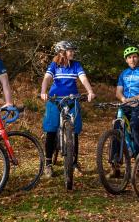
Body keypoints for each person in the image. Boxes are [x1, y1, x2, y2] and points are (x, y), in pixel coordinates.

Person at [40, 41, 96, 178]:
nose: (72, 52)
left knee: (74, 131)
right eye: (69, 50)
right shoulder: (54, 65)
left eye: (72, 50)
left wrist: (90, 91)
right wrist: (43, 91)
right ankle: (48, 164)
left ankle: (74, 163)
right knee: (51, 130)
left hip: (72, 99)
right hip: (55, 99)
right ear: (61, 52)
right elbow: (47, 78)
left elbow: (83, 78)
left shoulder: (76, 65)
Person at [113, 47, 139, 160]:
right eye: (130, 57)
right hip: (125, 104)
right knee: (116, 127)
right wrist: (123, 99)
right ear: (126, 60)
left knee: (134, 126)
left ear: (138, 57)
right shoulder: (123, 73)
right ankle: (115, 162)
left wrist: (134, 99)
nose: (132, 59)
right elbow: (118, 92)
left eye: (135, 56)